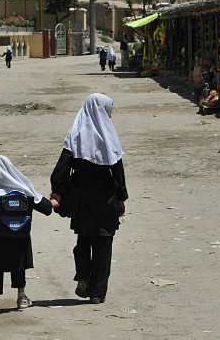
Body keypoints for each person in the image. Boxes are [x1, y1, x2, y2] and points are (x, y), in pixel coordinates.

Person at [49, 93, 128, 305]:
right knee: (103, 244)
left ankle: (83, 276)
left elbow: (60, 171)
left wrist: (57, 192)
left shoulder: (75, 135)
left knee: (83, 239)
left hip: (81, 197)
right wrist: (122, 199)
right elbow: (118, 173)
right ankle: (97, 293)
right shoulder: (109, 136)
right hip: (106, 198)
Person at [0, 155, 53, 315]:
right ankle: (22, 297)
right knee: (19, 262)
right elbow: (46, 208)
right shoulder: (23, 189)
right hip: (20, 238)